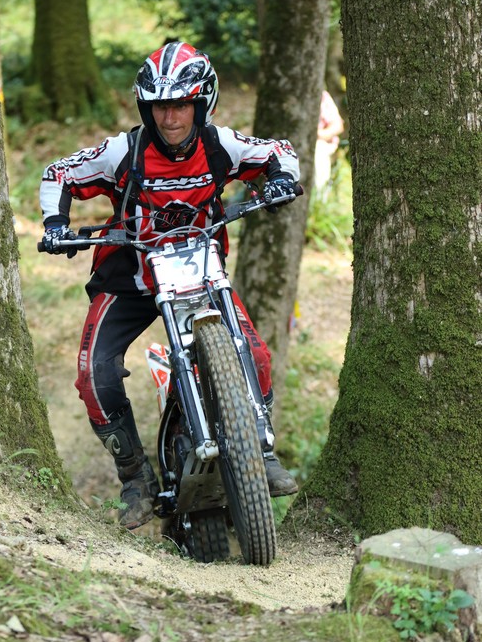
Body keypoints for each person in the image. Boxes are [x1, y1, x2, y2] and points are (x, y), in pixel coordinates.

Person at [39, 41, 300, 530]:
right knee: (95, 373)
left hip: (200, 269)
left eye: (181, 104)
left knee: (256, 355)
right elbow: (59, 173)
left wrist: (282, 179)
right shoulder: (124, 151)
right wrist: (56, 224)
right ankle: (135, 478)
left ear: (202, 103)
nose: (170, 116)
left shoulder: (220, 145)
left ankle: (260, 453)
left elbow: (277, 152)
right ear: (146, 107)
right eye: (160, 105)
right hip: (131, 274)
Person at [314, 90, 344, 195]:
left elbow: (337, 125)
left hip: (321, 143)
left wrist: (318, 134)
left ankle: (319, 195)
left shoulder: (320, 95)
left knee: (318, 149)